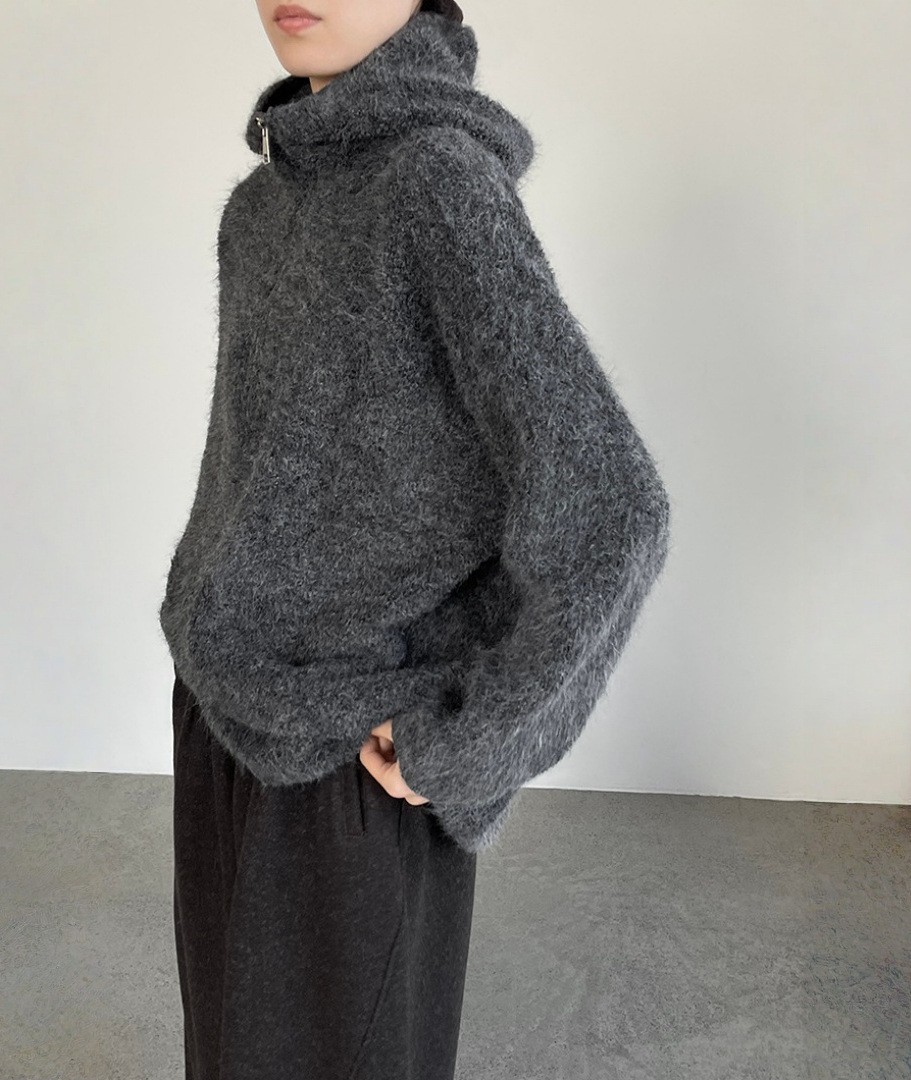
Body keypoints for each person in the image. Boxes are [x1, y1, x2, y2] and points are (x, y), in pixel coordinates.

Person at [162, 1, 672, 1077]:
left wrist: (474, 739)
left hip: (352, 759)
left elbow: (612, 503)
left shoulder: (437, 182)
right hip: (224, 721)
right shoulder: (260, 208)